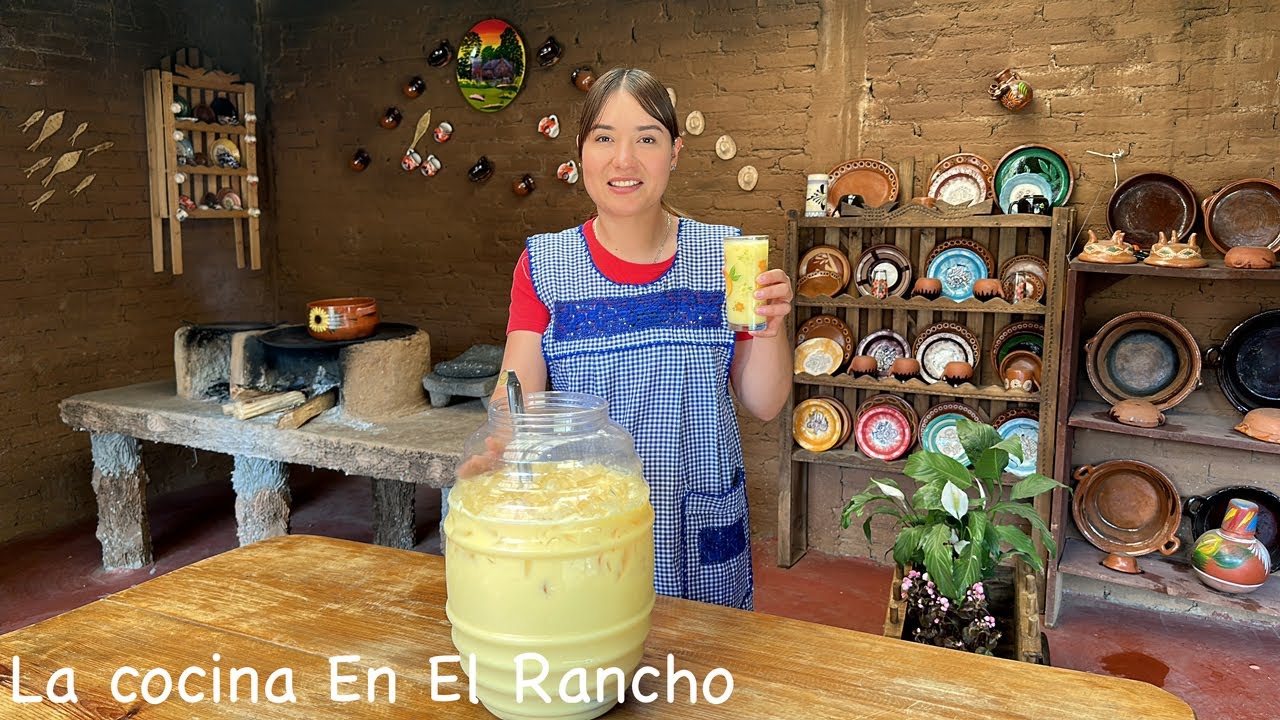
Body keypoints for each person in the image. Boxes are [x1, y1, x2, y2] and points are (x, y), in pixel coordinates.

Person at [494, 68, 793, 611]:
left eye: (647, 139)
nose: (623, 160)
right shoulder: (543, 265)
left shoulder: (727, 256)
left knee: (697, 680)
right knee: (597, 665)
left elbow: (764, 402)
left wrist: (772, 328)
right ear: (580, 153)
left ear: (674, 152)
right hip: (589, 529)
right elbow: (516, 400)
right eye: (604, 138)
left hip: (699, 516)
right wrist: (493, 455)